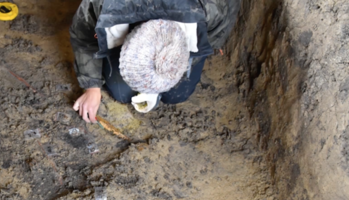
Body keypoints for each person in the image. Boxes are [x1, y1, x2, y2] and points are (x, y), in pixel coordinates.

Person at [70, 0, 240, 123]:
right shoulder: (103, 5)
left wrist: (211, 44)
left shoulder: (213, 8)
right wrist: (92, 87)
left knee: (177, 94)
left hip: (190, 16)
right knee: (121, 92)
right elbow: (84, 36)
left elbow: (220, 27)